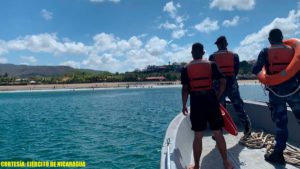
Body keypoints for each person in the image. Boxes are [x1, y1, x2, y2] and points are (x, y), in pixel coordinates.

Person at [252, 28, 300, 164]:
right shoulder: (293, 50)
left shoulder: (265, 51)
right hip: (295, 91)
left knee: (281, 125)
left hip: (276, 93)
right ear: (282, 37)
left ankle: (278, 154)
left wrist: (266, 73)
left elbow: (256, 69)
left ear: (269, 40)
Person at [181, 43, 233, 169]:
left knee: (198, 135)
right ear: (203, 53)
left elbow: (185, 89)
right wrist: (218, 96)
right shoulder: (211, 64)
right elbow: (223, 81)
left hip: (196, 100)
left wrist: (184, 105)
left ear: (192, 53)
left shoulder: (186, 68)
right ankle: (226, 163)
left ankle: (197, 166)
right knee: (218, 133)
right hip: (211, 98)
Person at [209, 36, 252, 136]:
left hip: (218, 86)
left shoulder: (212, 57)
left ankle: (219, 132)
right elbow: (235, 71)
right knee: (238, 106)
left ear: (218, 45)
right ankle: (247, 127)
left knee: (220, 109)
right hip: (232, 85)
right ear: (227, 44)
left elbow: (211, 73)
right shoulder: (235, 56)